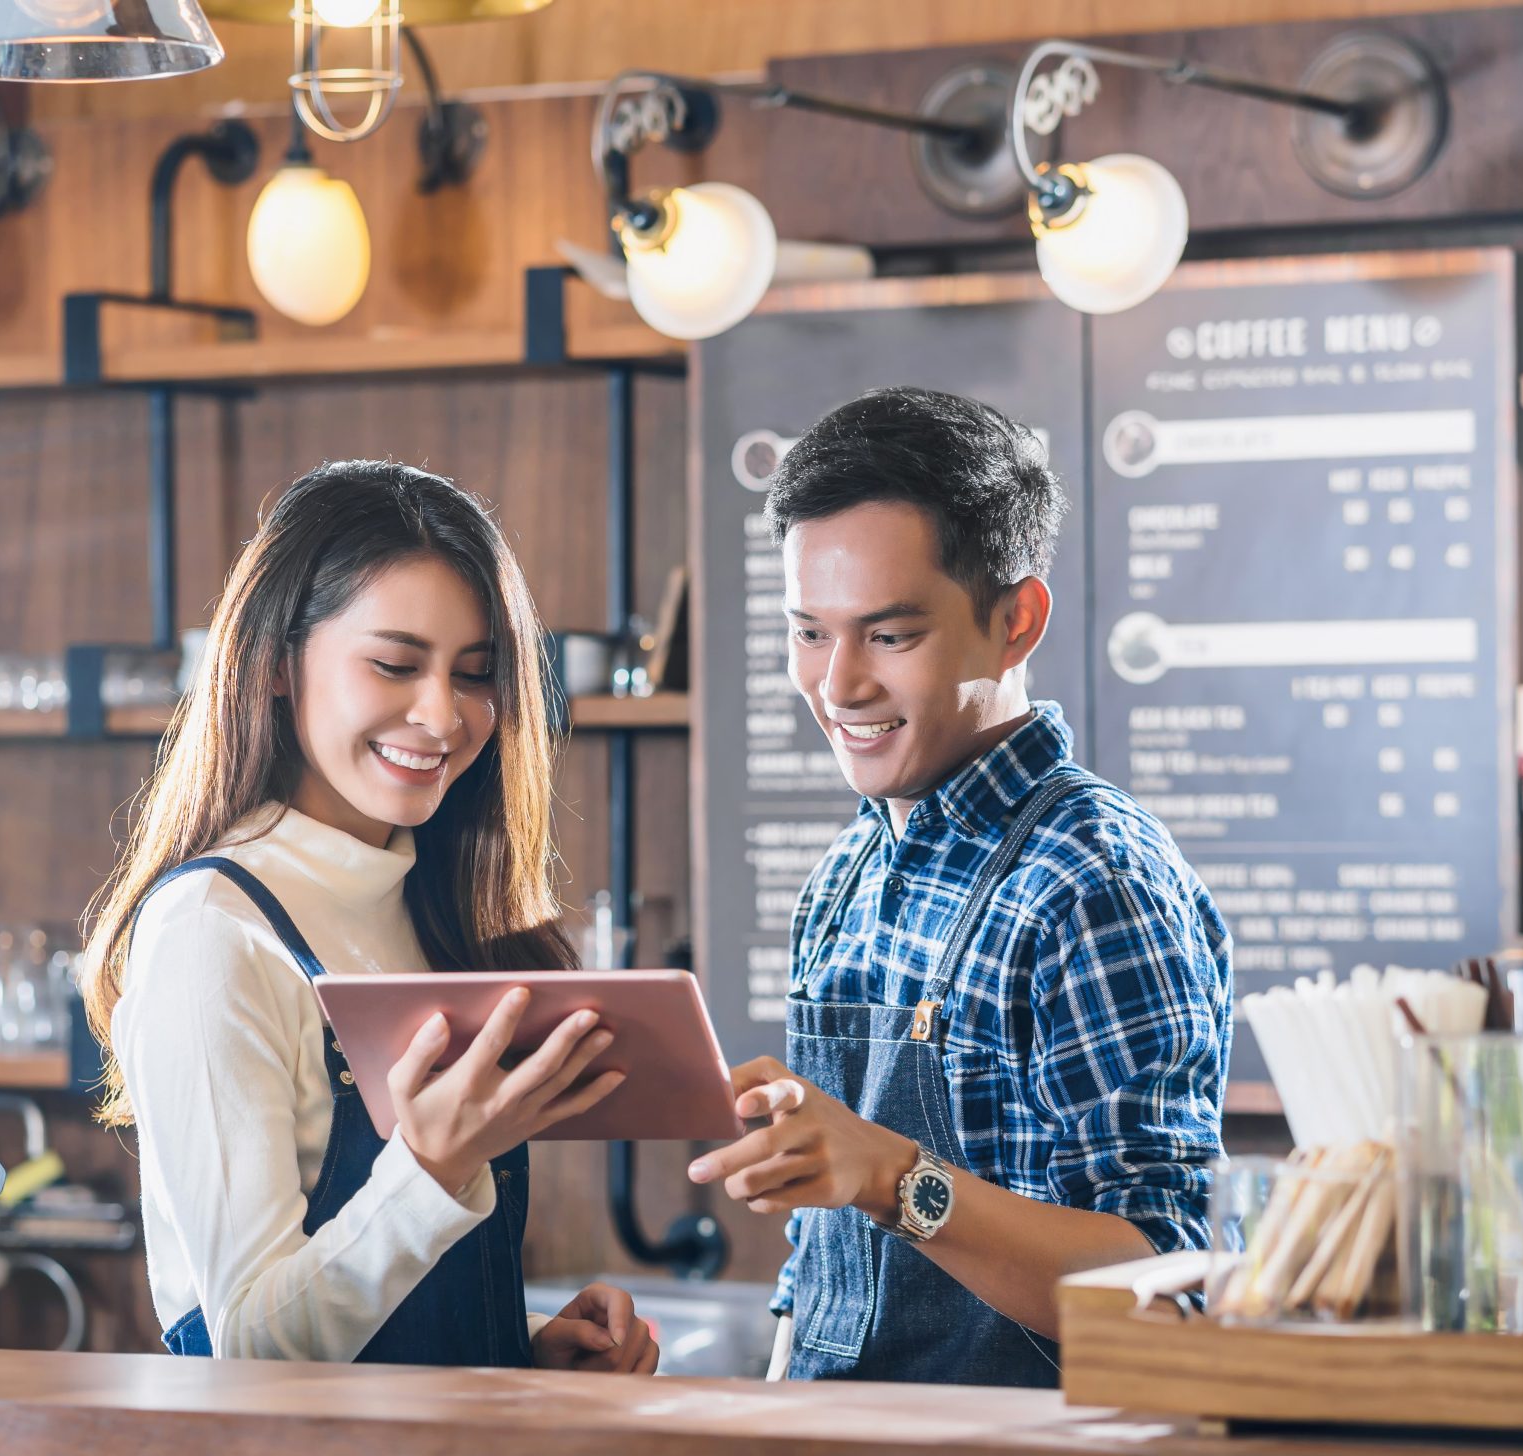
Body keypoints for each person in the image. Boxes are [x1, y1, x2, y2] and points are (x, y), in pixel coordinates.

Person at [688, 387, 1231, 1387]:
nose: (838, 685)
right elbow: (825, 1268)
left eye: (888, 637)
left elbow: (1170, 1287)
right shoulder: (844, 875)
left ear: (1016, 619)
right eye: (810, 634)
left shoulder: (1091, 877)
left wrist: (891, 1177)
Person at [81, 460, 656, 1373]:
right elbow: (256, 1347)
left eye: (475, 674)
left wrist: (520, 1351)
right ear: (273, 662)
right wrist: (427, 1167)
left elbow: (394, 1318)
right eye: (395, 664)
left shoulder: (434, 908)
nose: (442, 715)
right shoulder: (211, 930)